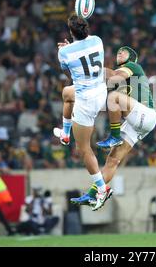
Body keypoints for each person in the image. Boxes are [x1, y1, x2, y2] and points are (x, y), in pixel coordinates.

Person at [59, 46, 156, 206]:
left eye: (124, 51)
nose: (119, 52)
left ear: (132, 57)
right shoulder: (116, 78)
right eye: (118, 50)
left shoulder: (132, 67)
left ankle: (114, 136)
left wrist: (92, 66)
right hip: (138, 123)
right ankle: (94, 193)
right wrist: (71, 58)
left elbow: (115, 76)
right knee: (112, 161)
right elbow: (82, 79)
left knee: (114, 97)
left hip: (145, 114)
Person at [53, 14, 111, 211]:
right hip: (100, 91)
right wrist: (71, 46)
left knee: (84, 149)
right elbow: (82, 51)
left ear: (71, 32)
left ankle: (102, 189)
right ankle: (65, 134)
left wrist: (65, 49)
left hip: (86, 101)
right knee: (67, 93)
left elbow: (68, 73)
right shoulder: (97, 41)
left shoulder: (65, 52)